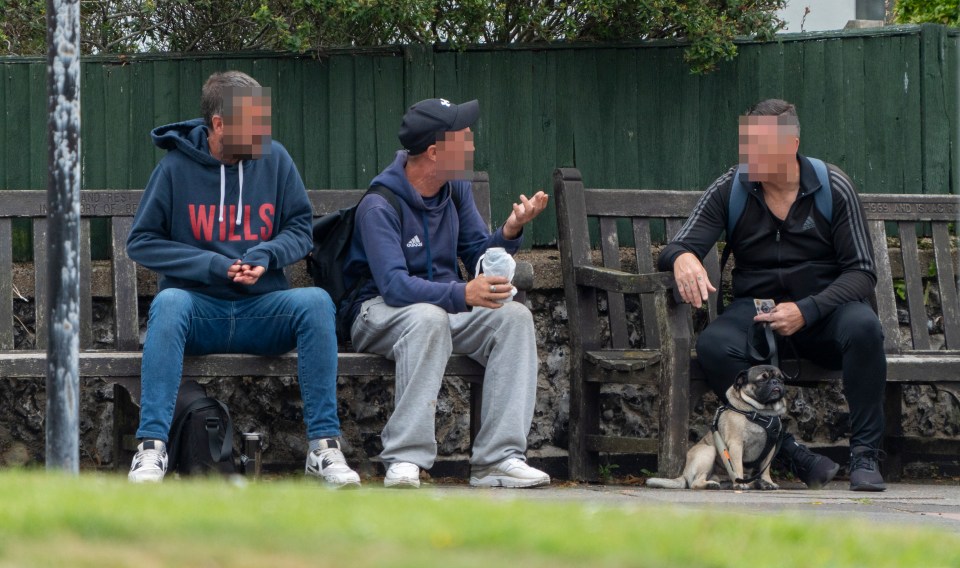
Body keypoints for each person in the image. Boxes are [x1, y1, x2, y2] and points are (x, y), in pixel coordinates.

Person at [125, 71, 360, 487]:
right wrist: (213, 265)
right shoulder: (175, 168)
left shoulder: (277, 161)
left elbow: (300, 229)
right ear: (219, 125)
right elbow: (142, 242)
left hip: (262, 313)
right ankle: (151, 449)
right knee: (169, 303)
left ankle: (325, 448)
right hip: (200, 314)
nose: (263, 133)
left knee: (316, 302)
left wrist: (267, 255)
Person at [657, 99, 887, 492]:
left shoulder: (832, 186)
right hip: (758, 313)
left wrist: (808, 309)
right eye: (747, 145)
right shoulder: (733, 186)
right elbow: (676, 246)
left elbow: (862, 273)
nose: (750, 156)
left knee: (864, 327)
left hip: (823, 311)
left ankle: (865, 455)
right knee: (714, 343)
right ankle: (794, 454)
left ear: (791, 143)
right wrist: (682, 258)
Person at [342, 98, 551, 488]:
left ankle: (498, 458)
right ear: (435, 152)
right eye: (464, 137)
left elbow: (476, 256)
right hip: (377, 312)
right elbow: (395, 286)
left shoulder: (454, 189)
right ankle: (404, 458)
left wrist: (507, 233)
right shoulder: (379, 204)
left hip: (441, 310)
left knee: (514, 317)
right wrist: (461, 294)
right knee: (428, 317)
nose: (472, 145)